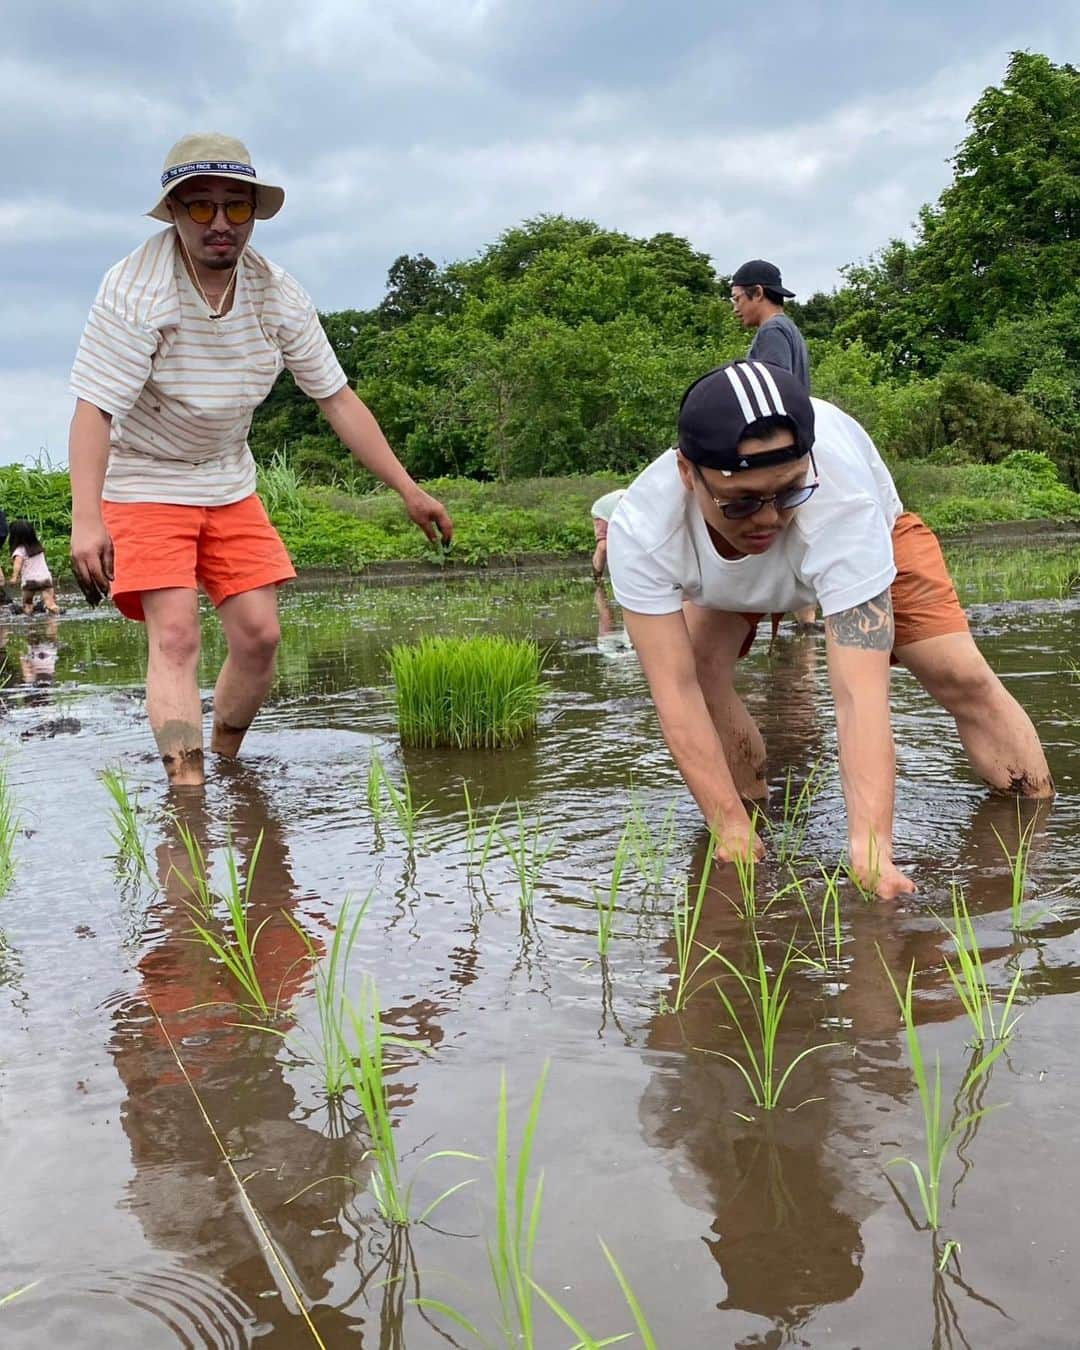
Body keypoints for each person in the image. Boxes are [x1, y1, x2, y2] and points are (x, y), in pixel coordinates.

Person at [68, 133, 452, 787]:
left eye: (236, 208)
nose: (220, 224)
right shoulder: (137, 290)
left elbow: (336, 399)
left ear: (253, 212)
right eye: (201, 207)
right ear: (174, 212)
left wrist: (407, 488)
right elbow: (94, 410)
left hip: (227, 476)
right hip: (146, 478)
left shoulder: (275, 293)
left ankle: (222, 761)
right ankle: (186, 790)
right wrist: (85, 519)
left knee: (259, 635)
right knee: (178, 634)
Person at [607, 359, 1053, 900]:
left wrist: (872, 851)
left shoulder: (843, 502)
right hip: (724, 582)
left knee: (958, 675)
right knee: (699, 676)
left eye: (788, 492)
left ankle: (1036, 834)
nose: (768, 519)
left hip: (866, 540)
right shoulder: (641, 530)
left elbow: (857, 695)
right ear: (687, 473)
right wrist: (727, 827)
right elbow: (672, 692)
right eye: (742, 501)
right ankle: (747, 822)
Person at [9, 520, 61, 616]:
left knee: (27, 604)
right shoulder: (38, 547)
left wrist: (14, 577)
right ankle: (56, 618)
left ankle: (30, 624)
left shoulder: (19, 551)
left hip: (30, 581)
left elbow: (17, 564)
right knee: (51, 603)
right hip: (45, 579)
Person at [589, 487, 626, 581]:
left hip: (616, 513)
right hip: (603, 512)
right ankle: (597, 578)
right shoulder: (626, 500)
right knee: (603, 546)